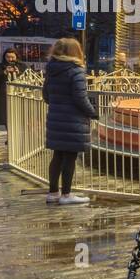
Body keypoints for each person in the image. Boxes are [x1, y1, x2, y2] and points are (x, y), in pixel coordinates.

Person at [41, 37, 96, 205]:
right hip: (73, 121)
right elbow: (80, 98)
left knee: (57, 156)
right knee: (70, 157)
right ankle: (66, 194)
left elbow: (46, 95)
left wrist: (59, 105)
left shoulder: (51, 69)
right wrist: (93, 112)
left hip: (56, 118)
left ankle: (52, 193)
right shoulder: (76, 71)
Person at [0, 48, 23, 128]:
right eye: (8, 57)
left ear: (16, 57)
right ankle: (10, 136)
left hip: (19, 94)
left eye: (12, 57)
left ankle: (15, 137)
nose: (10, 59)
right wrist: (4, 72)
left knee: (19, 116)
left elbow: (29, 77)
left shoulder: (22, 65)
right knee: (6, 117)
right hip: (4, 94)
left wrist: (19, 73)